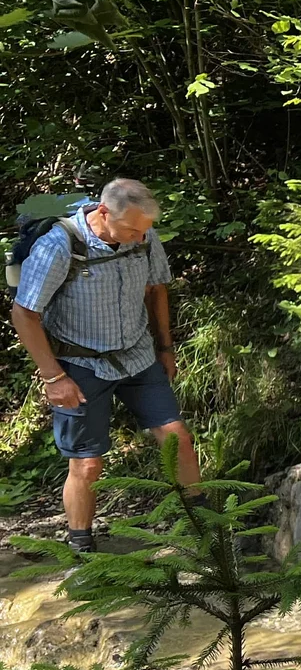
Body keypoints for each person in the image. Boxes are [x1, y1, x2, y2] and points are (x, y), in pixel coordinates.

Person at [9, 178, 199, 551]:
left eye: (143, 231)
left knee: (177, 437)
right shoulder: (59, 246)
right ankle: (82, 549)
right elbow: (24, 313)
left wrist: (165, 347)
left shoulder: (143, 236)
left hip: (138, 356)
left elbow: (156, 289)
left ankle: (207, 530)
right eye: (131, 230)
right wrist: (53, 377)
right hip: (79, 365)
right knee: (87, 463)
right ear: (103, 212)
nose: (138, 238)